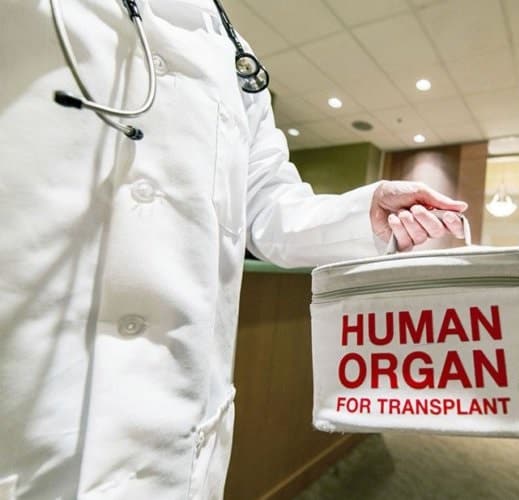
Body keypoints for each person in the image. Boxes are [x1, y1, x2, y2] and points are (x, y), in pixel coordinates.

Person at [0, 1, 467, 498]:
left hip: (174, 424)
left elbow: (266, 203)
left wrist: (362, 213)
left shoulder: (230, 49)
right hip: (30, 397)